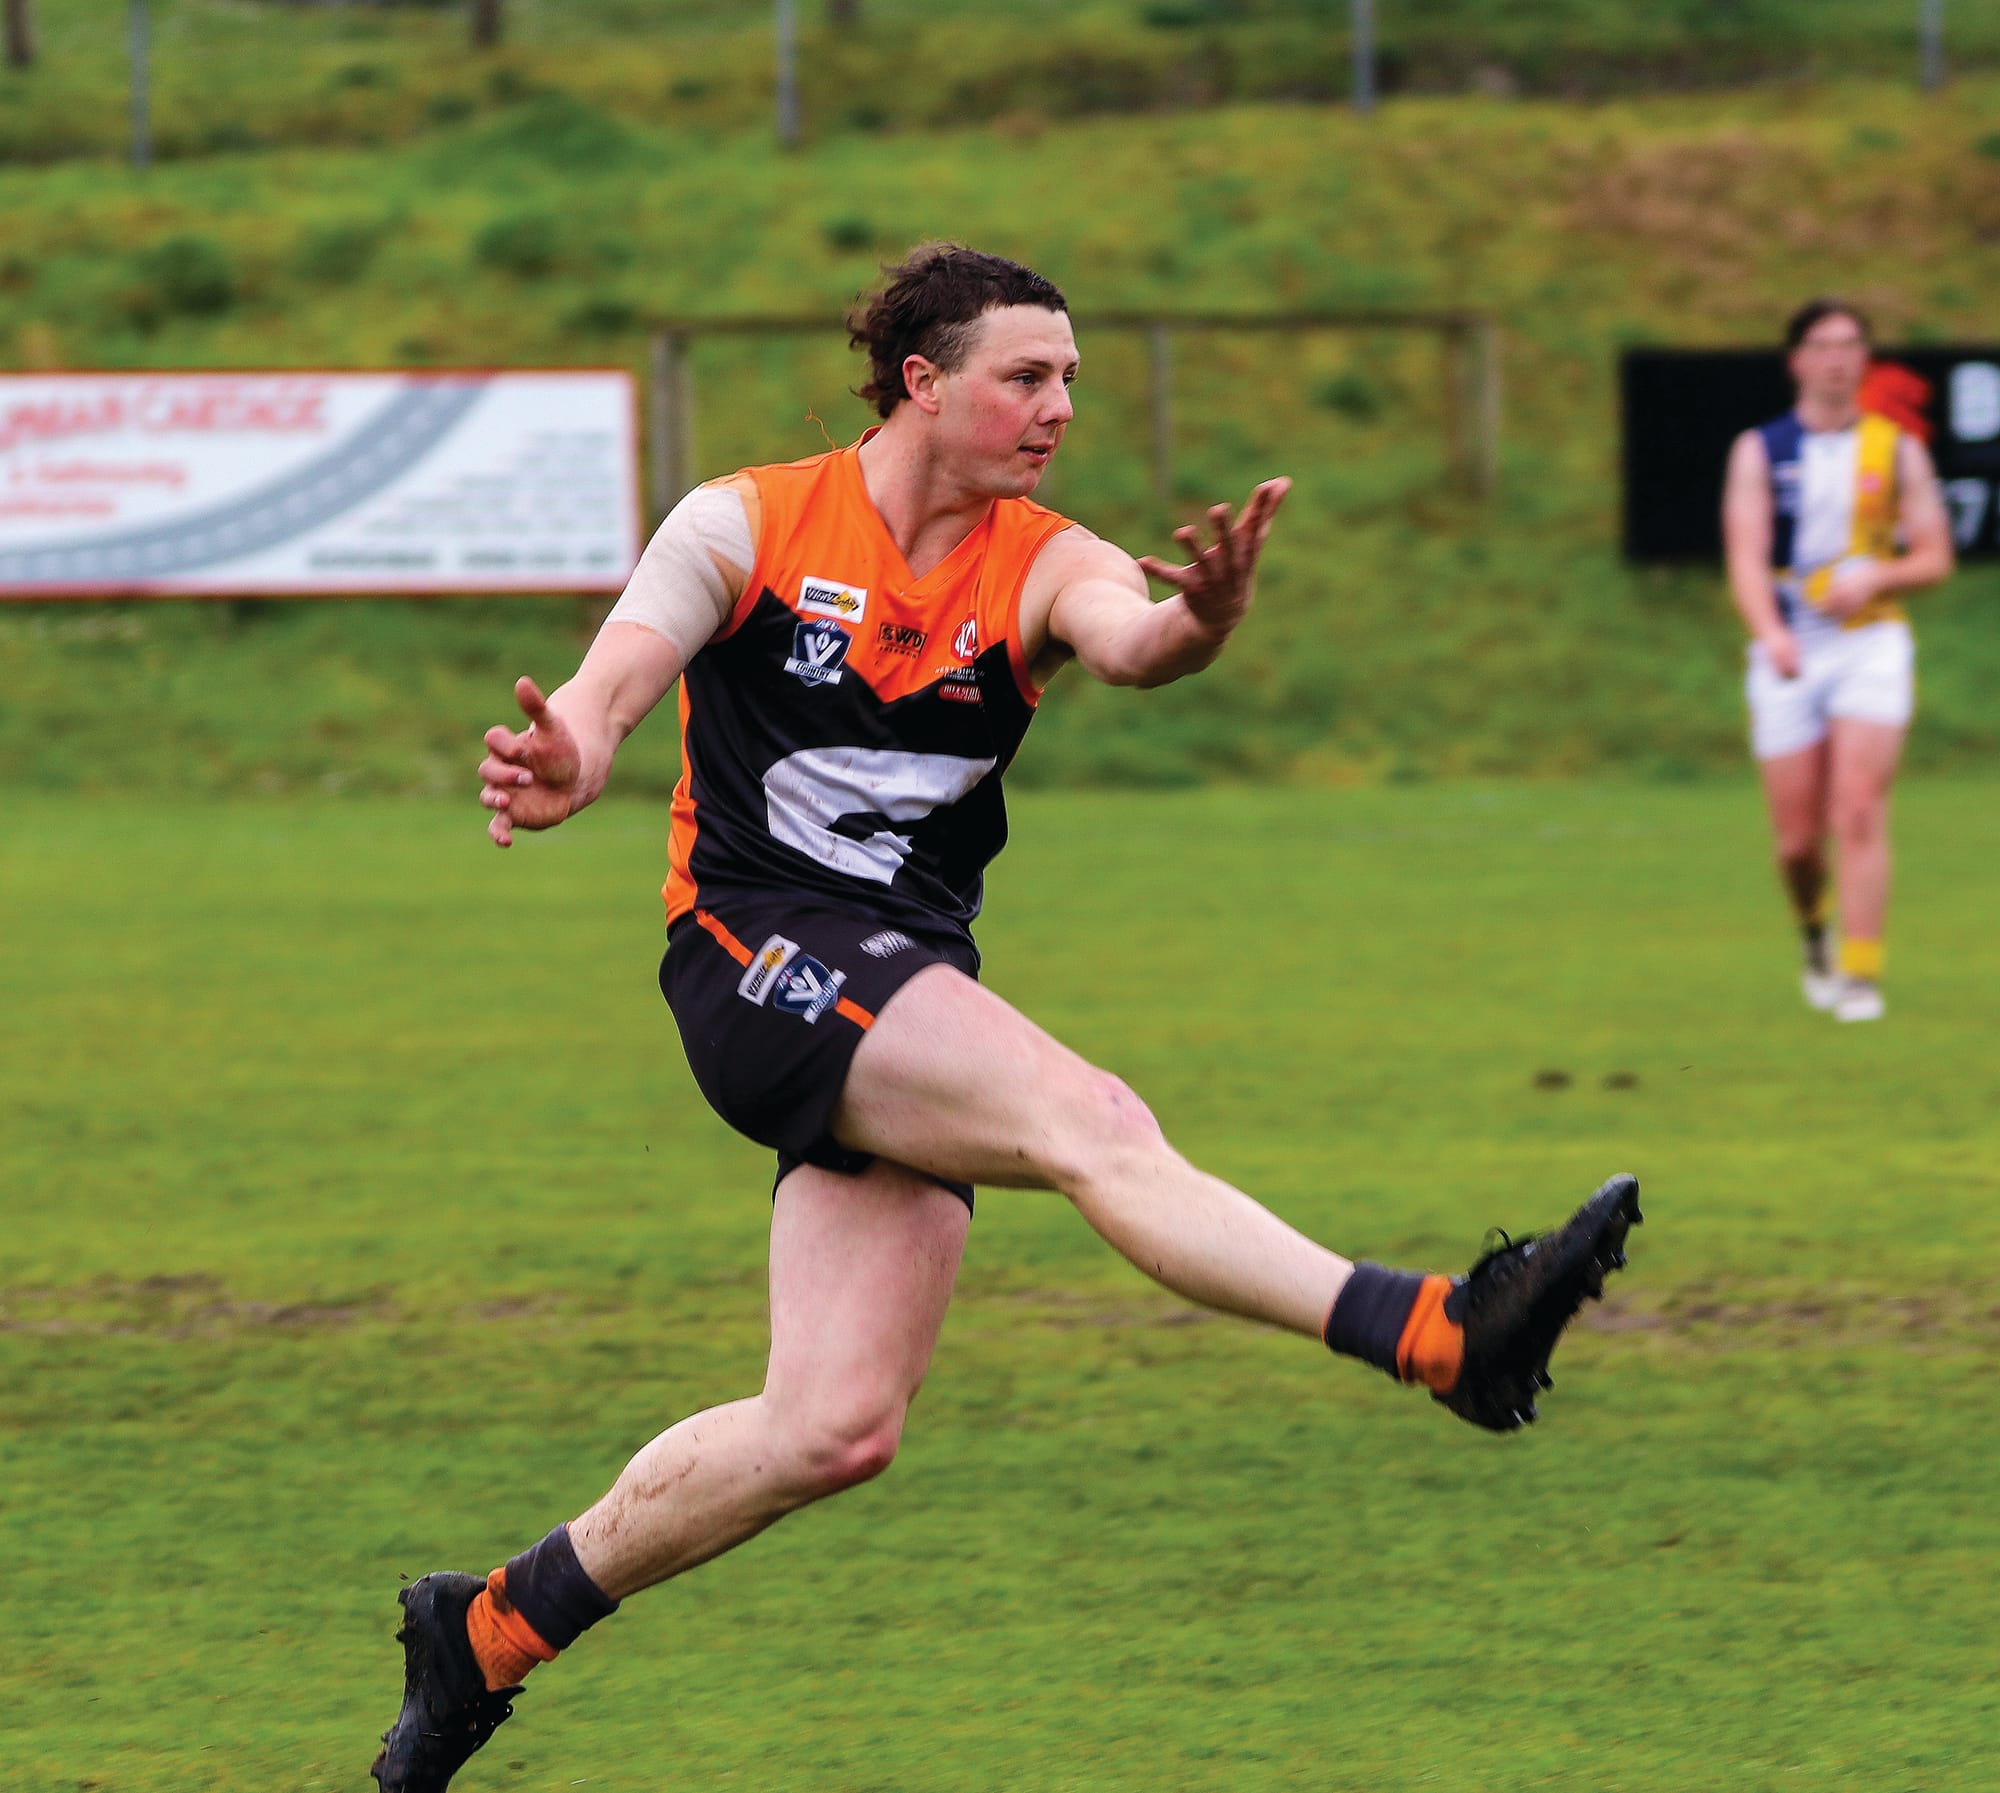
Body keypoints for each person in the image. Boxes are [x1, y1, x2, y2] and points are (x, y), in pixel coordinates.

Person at [371, 243, 1642, 1792]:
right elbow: (618, 677)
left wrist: (1206, 624)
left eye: (1070, 382)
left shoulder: (1039, 558)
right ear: (924, 381)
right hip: (753, 947)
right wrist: (567, 747)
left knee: (832, 1425)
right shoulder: (750, 520)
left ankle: (490, 1630)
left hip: (904, 984)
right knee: (1091, 1120)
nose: (1056, 409)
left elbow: (1132, 636)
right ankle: (1442, 1332)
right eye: (1025, 377)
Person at [1721, 299, 1955, 1022]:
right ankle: (1814, 936)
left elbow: (1935, 555)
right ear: (1796, 361)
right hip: (1791, 643)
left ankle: (1861, 973)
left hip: (1870, 640)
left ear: (1865, 359)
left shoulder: (1898, 449)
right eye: (1822, 345)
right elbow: (1746, 556)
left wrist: (1877, 577)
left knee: (1857, 806)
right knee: (1797, 842)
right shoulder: (1759, 450)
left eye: (1851, 344)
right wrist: (1773, 633)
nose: (1837, 358)